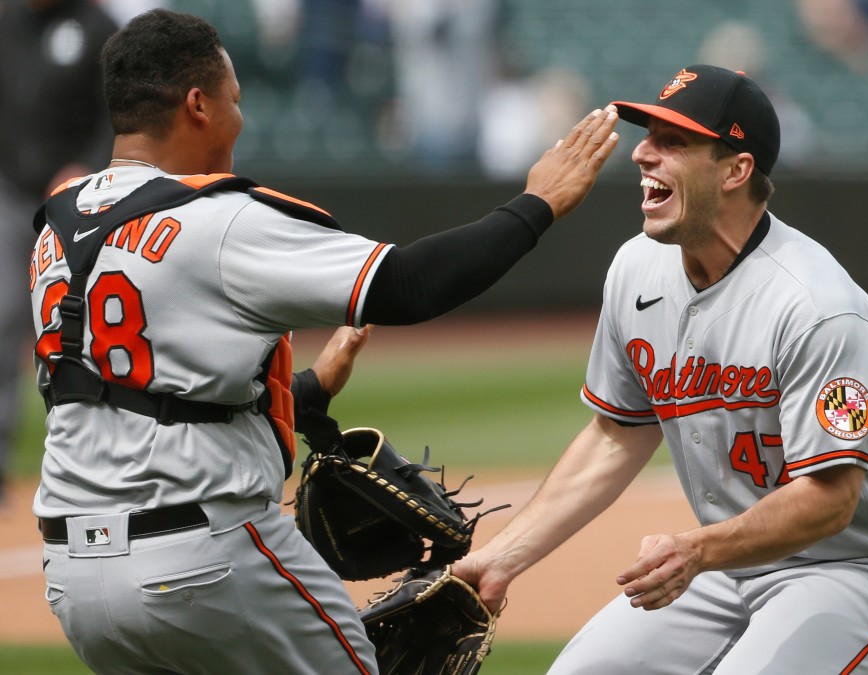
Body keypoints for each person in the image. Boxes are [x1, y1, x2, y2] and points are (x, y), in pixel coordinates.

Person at [30, 8, 618, 674]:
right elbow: (409, 285)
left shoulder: (59, 223)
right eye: (233, 100)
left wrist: (304, 392)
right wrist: (536, 205)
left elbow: (127, 393)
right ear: (198, 104)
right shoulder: (215, 218)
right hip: (203, 561)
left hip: (76, 577)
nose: (239, 118)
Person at [454, 65, 868, 674]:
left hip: (850, 568)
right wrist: (503, 557)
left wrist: (697, 549)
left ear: (736, 169)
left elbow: (829, 502)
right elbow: (618, 432)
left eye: (672, 142)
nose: (641, 154)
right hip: (727, 563)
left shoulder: (818, 307)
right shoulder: (636, 269)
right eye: (647, 134)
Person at [0, 0, 118, 508]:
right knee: (1, 319)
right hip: (9, 196)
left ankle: (105, 465)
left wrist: (83, 166)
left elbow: (120, 114)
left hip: (80, 203)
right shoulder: (5, 23)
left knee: (91, 327)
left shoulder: (98, 26)